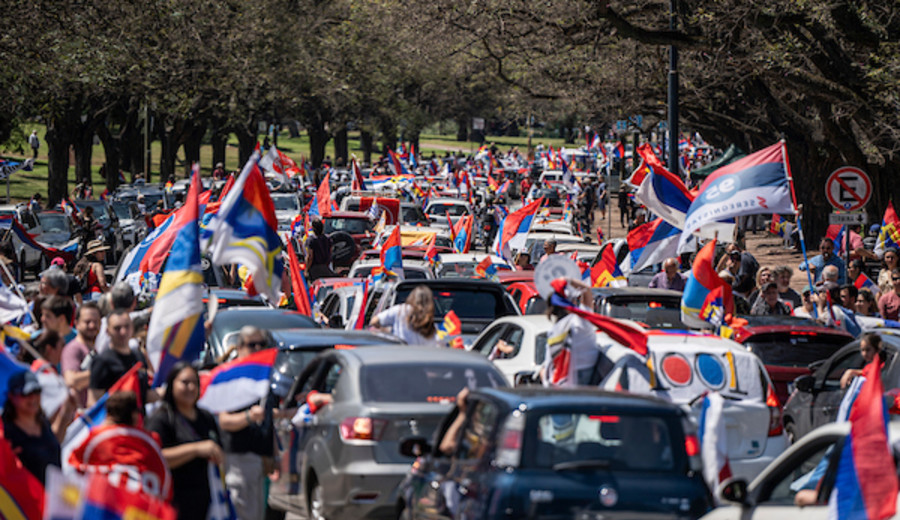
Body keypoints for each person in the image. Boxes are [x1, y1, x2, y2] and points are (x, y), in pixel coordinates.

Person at [147, 362, 223, 519]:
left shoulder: (206, 417)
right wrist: (196, 449)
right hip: (172, 502)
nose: (190, 388)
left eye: (195, 383)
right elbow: (157, 458)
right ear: (172, 385)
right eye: (185, 382)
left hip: (205, 503)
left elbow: (219, 451)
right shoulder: (161, 418)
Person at [69, 391, 173, 500]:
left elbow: (73, 468)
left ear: (108, 415)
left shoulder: (96, 439)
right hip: (139, 507)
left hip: (105, 505)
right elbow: (164, 484)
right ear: (134, 416)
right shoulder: (151, 442)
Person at [217, 326, 273, 520]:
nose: (257, 348)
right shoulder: (231, 377)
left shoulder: (262, 377)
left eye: (262, 344)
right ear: (240, 347)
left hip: (258, 462)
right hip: (237, 460)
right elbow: (224, 420)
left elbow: (267, 419)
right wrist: (248, 417)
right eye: (252, 345)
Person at [541, 278, 605, 387]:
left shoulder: (553, 331)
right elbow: (586, 291)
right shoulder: (580, 321)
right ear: (572, 303)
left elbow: (547, 367)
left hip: (559, 386)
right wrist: (568, 280)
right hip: (584, 378)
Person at [2, 371, 60, 484]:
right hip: (23, 499)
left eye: (37, 391)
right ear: (11, 396)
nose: (33, 398)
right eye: (26, 394)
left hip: (52, 496)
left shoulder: (44, 423)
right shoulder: (5, 432)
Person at [88, 310, 147, 406]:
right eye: (117, 328)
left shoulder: (138, 356)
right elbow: (93, 402)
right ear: (107, 331)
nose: (123, 332)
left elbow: (145, 395)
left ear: (132, 329)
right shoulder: (102, 361)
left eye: (127, 327)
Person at [62, 302, 102, 409]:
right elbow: (71, 380)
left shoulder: (97, 350)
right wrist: (103, 371)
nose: (92, 325)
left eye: (96, 322)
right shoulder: (73, 349)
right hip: (81, 416)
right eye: (87, 322)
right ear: (77, 324)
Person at [370, 285, 440, 346]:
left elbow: (374, 321)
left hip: (402, 355)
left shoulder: (400, 310)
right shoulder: (429, 316)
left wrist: (386, 330)